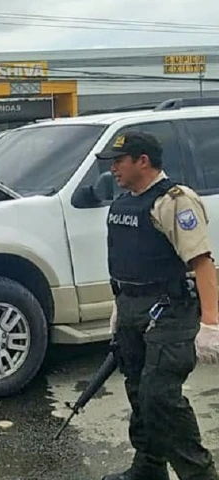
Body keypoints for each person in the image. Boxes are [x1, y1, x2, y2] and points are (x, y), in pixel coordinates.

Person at [99, 130, 219, 480]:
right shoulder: (124, 205)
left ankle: (199, 475)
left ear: (143, 161)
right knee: (138, 392)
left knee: (160, 397)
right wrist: (120, 306)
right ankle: (149, 468)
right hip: (132, 308)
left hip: (168, 310)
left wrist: (210, 324)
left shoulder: (175, 201)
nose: (113, 170)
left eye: (119, 161)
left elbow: (202, 263)